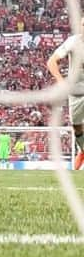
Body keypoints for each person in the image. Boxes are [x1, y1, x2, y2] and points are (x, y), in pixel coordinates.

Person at [45, 23, 84, 170]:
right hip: (75, 91)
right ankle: (83, 151)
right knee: (77, 127)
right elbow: (51, 61)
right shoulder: (73, 42)